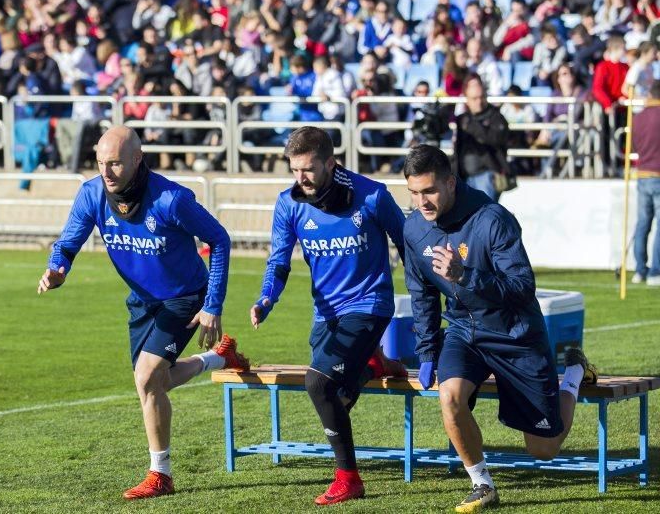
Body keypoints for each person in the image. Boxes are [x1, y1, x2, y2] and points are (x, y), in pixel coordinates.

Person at [37, 126, 250, 500]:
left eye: (116, 163)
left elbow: (219, 239)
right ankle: (218, 359)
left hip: (185, 297)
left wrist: (212, 305)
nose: (106, 172)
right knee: (153, 383)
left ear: (138, 159)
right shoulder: (91, 194)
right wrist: (58, 269)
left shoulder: (171, 199)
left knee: (148, 376)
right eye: (101, 162)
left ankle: (160, 474)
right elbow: (67, 242)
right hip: (142, 300)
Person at [402, 144, 598, 513]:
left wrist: (466, 276)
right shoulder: (413, 228)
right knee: (450, 397)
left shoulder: (492, 219)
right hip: (464, 331)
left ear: (450, 182)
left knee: (544, 449)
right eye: (413, 192)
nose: (421, 201)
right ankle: (482, 485)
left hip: (515, 333)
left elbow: (522, 287)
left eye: (428, 191)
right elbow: (422, 292)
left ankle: (572, 373)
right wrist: (428, 351)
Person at [249, 127, 407, 506]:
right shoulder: (289, 203)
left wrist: (425, 289)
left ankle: (348, 478)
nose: (300, 178)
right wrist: (266, 299)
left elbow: (407, 241)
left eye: (308, 169)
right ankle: (376, 365)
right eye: (294, 170)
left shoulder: (371, 195)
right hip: (326, 314)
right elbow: (278, 261)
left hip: (370, 305)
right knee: (337, 394)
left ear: (330, 163)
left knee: (318, 384)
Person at [453, 73, 511, 202]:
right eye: (474, 98)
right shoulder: (463, 119)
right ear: (466, 98)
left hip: (487, 177)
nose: (479, 102)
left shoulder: (496, 117)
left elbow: (495, 139)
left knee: (484, 216)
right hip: (464, 178)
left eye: (481, 97)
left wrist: (472, 126)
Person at [631, 81, 660, 286]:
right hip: (658, 174)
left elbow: (632, 145)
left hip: (642, 174)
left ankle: (640, 269)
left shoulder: (638, 118)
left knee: (642, 224)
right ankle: (655, 271)